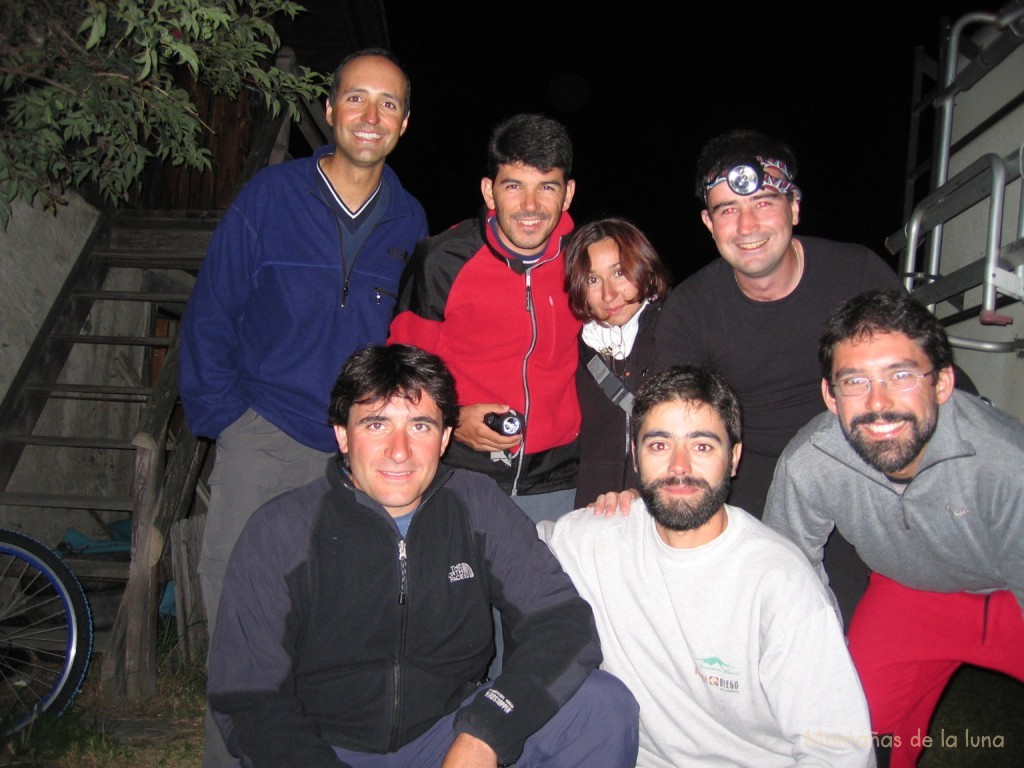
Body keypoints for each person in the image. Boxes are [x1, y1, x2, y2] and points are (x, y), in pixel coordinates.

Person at [208, 344, 640, 768]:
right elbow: (247, 693)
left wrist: (485, 732)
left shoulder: (476, 505)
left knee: (600, 707)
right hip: (322, 746)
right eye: (376, 425)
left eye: (420, 426)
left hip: (446, 735)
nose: (400, 451)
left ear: (446, 436)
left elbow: (560, 623)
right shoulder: (281, 530)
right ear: (342, 435)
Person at [180, 48, 427, 767]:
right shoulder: (271, 197)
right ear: (330, 111)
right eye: (356, 99)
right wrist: (226, 417)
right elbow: (213, 311)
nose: (370, 116)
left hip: (355, 458)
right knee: (242, 614)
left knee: (334, 629)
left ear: (405, 123)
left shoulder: (409, 220)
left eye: (387, 104)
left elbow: (404, 341)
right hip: (264, 433)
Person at [541, 366, 874, 767]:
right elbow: (499, 546)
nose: (679, 467)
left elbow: (839, 750)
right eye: (659, 446)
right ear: (634, 454)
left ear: (733, 458)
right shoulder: (596, 539)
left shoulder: (778, 584)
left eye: (702, 447)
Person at [764, 289, 1024, 768]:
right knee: (847, 728)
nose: (878, 404)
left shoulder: (1005, 464)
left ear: (942, 383)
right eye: (854, 381)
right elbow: (788, 573)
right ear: (829, 395)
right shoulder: (811, 461)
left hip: (1009, 594)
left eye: (900, 375)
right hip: (906, 594)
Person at [652, 128, 903, 624]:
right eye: (727, 209)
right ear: (708, 222)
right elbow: (676, 424)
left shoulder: (857, 274)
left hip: (858, 465)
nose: (746, 225)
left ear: (794, 207)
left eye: (764, 202)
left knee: (865, 623)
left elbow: (921, 375)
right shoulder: (690, 309)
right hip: (751, 484)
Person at [389, 114, 580, 523]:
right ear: (489, 191)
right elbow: (403, 372)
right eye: (514, 186)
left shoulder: (587, 261)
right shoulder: (442, 259)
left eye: (546, 187)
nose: (530, 206)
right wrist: (452, 418)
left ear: (567, 195)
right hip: (462, 473)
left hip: (561, 479)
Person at [563, 218, 672, 507]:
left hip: (663, 503)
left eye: (620, 273)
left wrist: (642, 493)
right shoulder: (573, 348)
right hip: (595, 509)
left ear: (644, 267)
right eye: (593, 280)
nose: (608, 295)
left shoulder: (677, 332)